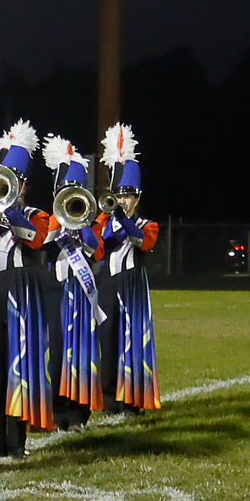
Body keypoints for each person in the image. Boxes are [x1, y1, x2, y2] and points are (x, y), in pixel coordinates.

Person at [0, 121, 54, 458]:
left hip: (23, 289)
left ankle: (17, 441)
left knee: (19, 364)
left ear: (24, 185)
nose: (10, 185)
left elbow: (36, 240)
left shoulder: (37, 214)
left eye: (16, 180)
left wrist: (10, 210)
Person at [92, 124, 161, 416]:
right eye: (119, 195)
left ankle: (134, 400)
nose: (123, 201)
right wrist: (107, 218)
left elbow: (144, 242)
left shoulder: (147, 224)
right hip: (107, 283)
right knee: (108, 340)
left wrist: (122, 218)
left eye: (129, 195)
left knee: (133, 341)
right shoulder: (103, 221)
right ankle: (109, 400)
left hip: (133, 284)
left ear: (138, 198)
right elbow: (97, 245)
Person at [41, 136, 106, 432]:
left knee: (82, 351)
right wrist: (60, 218)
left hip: (81, 294)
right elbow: (42, 241)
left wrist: (82, 223)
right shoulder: (49, 220)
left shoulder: (91, 224)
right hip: (55, 292)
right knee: (56, 351)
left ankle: (79, 413)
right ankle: (57, 410)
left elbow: (98, 251)